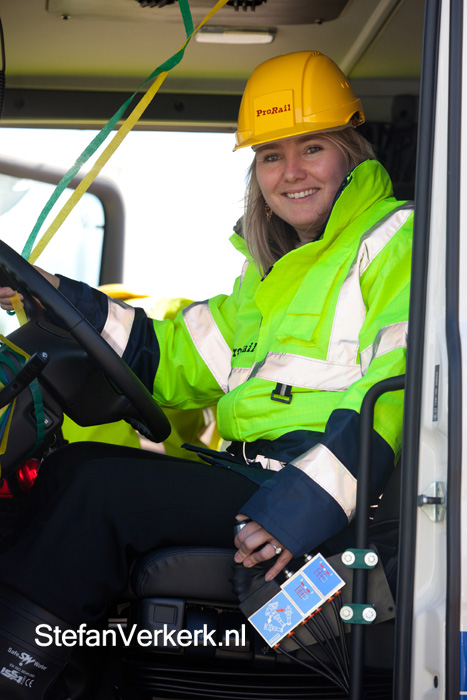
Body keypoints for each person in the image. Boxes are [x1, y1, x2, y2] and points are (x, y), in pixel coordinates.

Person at [0, 50, 412, 699]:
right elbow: (171, 358)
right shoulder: (271, 276)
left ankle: (14, 674)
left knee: (101, 491)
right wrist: (55, 295)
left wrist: (296, 509)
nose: (291, 172)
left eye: (312, 148)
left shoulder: (397, 241)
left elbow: (399, 392)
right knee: (69, 469)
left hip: (332, 504)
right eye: (271, 155)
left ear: (351, 154)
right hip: (256, 478)